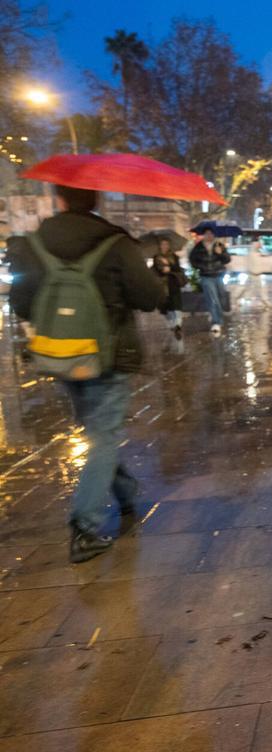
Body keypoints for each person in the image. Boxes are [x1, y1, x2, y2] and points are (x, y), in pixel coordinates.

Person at [8, 185, 165, 563]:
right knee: (104, 436)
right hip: (108, 356)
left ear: (59, 200)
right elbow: (151, 297)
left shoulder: (33, 243)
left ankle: (125, 491)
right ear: (96, 201)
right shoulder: (116, 242)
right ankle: (86, 527)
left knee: (97, 432)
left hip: (61, 353)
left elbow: (21, 303)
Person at [188, 229, 230, 335]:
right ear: (204, 235)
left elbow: (227, 259)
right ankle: (216, 322)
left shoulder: (219, 244)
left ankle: (216, 315)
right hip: (206, 276)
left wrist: (220, 253)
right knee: (212, 298)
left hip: (218, 275)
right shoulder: (199, 247)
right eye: (207, 234)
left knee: (221, 297)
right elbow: (192, 260)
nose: (209, 236)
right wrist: (201, 267)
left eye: (211, 234)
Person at [152, 238, 186, 338]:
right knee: (166, 306)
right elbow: (156, 270)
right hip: (162, 285)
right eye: (163, 244)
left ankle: (178, 325)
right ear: (160, 246)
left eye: (166, 244)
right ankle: (172, 324)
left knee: (177, 304)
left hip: (173, 283)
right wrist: (163, 267)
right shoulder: (156, 257)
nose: (165, 246)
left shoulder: (174, 256)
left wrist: (169, 266)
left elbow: (178, 269)